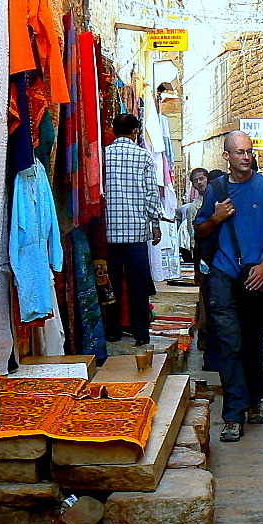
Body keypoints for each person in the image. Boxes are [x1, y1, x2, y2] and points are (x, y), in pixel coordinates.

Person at [194, 132, 263, 442]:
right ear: (227, 157)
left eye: (249, 151)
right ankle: (233, 415)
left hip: (255, 274)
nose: (246, 157)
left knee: (251, 340)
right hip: (222, 274)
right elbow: (201, 230)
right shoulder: (216, 191)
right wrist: (217, 216)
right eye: (240, 152)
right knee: (229, 343)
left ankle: (255, 398)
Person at [103, 112, 162, 347]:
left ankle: (113, 331)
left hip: (109, 232)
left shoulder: (103, 155)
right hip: (137, 232)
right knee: (138, 285)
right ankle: (141, 334)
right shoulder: (143, 157)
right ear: (136, 132)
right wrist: (155, 224)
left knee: (112, 283)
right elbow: (151, 194)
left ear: (113, 130)